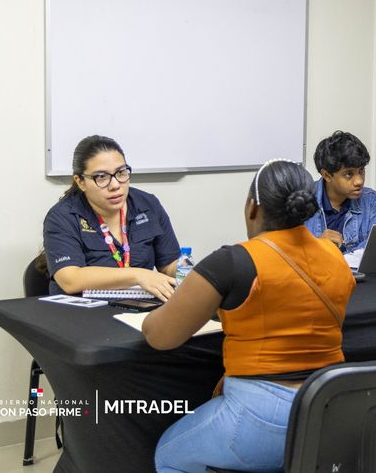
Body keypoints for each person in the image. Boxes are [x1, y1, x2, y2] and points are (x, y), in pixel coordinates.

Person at [144, 159, 356, 473]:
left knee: (168, 456)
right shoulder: (334, 256)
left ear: (253, 207)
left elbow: (160, 336)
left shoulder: (233, 262)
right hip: (327, 409)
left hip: (260, 419)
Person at [41, 135, 180, 299]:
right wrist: (137, 275)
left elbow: (169, 264)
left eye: (121, 173)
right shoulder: (62, 217)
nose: (115, 185)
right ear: (80, 182)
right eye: (101, 177)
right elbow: (70, 279)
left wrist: (188, 272)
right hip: (83, 313)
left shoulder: (147, 204)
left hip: (140, 308)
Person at [304, 131, 376, 253]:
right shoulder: (301, 200)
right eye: (349, 174)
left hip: (354, 272)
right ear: (327, 175)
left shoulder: (370, 200)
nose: (359, 181)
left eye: (361, 171)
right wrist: (316, 246)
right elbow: (283, 255)